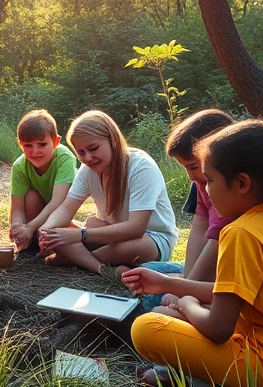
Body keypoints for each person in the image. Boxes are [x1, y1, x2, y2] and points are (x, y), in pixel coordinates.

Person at [125, 120, 263, 387]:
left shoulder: (240, 232)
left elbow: (218, 328)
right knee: (167, 315)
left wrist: (187, 303)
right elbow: (234, 293)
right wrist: (169, 283)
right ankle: (204, 381)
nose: (205, 189)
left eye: (209, 180)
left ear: (242, 183)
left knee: (146, 328)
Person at [39, 110, 177, 275]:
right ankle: (103, 269)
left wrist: (80, 236)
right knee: (59, 232)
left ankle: (76, 259)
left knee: (121, 249)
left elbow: (136, 228)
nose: (88, 157)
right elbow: (67, 208)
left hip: (150, 238)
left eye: (93, 148)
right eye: (81, 152)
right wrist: (47, 230)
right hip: (109, 231)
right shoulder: (87, 170)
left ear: (113, 140)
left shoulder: (141, 167)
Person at [137, 110, 235, 312]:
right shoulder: (202, 185)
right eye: (185, 169)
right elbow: (199, 229)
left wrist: (183, 289)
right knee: (147, 271)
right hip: (209, 272)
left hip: (227, 274)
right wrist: (187, 280)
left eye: (193, 166)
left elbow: (216, 243)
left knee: (157, 306)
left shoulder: (227, 192)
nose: (191, 176)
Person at [8, 109, 77, 252]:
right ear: (20, 144)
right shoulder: (20, 166)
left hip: (60, 213)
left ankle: (41, 235)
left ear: (56, 141)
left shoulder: (65, 159)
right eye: (28, 145)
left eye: (42, 144)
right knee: (31, 196)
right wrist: (17, 226)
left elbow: (58, 202)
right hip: (35, 212)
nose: (35, 151)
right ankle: (34, 239)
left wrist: (31, 227)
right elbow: (18, 207)